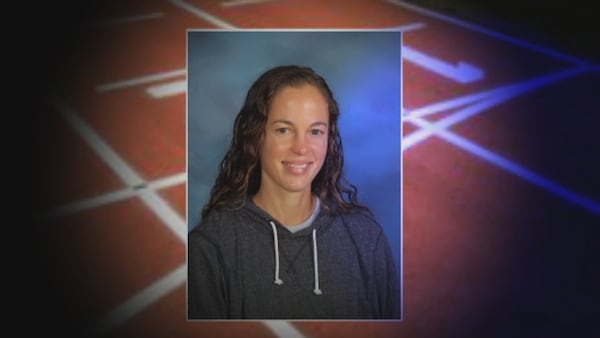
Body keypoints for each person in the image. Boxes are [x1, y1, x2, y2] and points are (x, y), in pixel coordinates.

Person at [187, 65, 400, 319]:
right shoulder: (211, 246)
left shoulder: (366, 239)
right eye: (283, 130)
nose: (301, 148)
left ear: (329, 138)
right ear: (256, 137)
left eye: (315, 131)